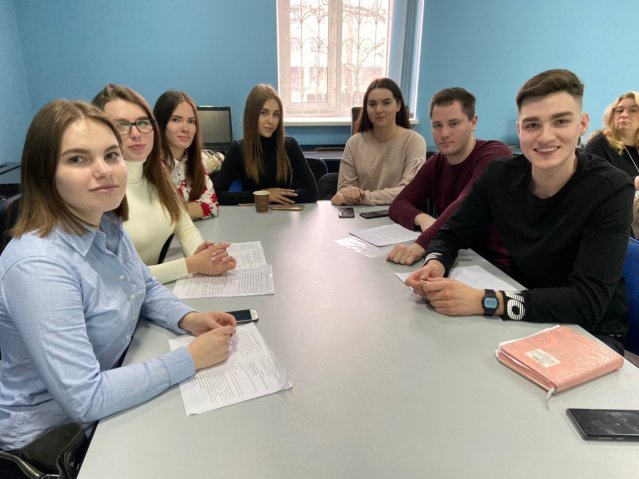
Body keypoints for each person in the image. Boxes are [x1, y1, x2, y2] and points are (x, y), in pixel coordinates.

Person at [0, 100, 237, 450]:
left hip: (112, 397)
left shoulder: (106, 222)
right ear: (44, 172)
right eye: (77, 159)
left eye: (111, 155)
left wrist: (188, 318)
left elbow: (144, 286)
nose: (104, 170)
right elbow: (86, 398)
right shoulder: (38, 266)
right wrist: (191, 358)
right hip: (54, 439)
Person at [406, 69, 634, 353]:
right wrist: (435, 263)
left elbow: (587, 302)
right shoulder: (500, 176)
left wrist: (485, 301)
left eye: (561, 121)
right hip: (523, 313)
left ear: (582, 124)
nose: (545, 136)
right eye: (532, 124)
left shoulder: (611, 189)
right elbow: (451, 233)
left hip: (590, 331)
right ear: (519, 130)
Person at [93, 84, 236, 284]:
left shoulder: (157, 172)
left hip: (156, 290)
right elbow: (117, 277)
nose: (136, 134)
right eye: (121, 125)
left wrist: (204, 255)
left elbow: (184, 227)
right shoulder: (97, 190)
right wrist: (192, 264)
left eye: (142, 123)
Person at [387, 87, 512, 268]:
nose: (444, 133)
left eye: (453, 124)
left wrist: (421, 244)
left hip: (490, 265)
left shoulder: (495, 154)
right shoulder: (437, 162)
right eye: (437, 125)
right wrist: (423, 219)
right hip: (447, 254)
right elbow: (399, 203)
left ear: (473, 122)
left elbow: (465, 203)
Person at [213, 84, 318, 205]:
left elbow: (312, 193)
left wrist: (277, 197)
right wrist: (263, 195)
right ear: (252, 115)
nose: (271, 121)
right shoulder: (238, 149)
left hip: (284, 214)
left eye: (276, 114)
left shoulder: (290, 146)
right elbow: (217, 196)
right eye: (264, 113)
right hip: (253, 214)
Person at [331, 78, 426, 206]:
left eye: (386, 103)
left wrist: (364, 197)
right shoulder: (354, 143)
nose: (378, 110)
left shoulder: (414, 141)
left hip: (399, 212)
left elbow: (409, 191)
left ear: (398, 105)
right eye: (372, 104)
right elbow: (343, 192)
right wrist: (349, 193)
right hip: (359, 214)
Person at [153, 90, 219, 220]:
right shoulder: (151, 165)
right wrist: (195, 207)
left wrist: (175, 210)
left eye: (191, 121)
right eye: (176, 120)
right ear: (160, 124)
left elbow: (212, 204)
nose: (186, 128)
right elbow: (156, 214)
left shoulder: (194, 161)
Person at [584, 91, 639, 184]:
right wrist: (634, 182)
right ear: (612, 115)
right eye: (620, 110)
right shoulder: (598, 144)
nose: (624, 115)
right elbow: (590, 183)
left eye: (633, 110)